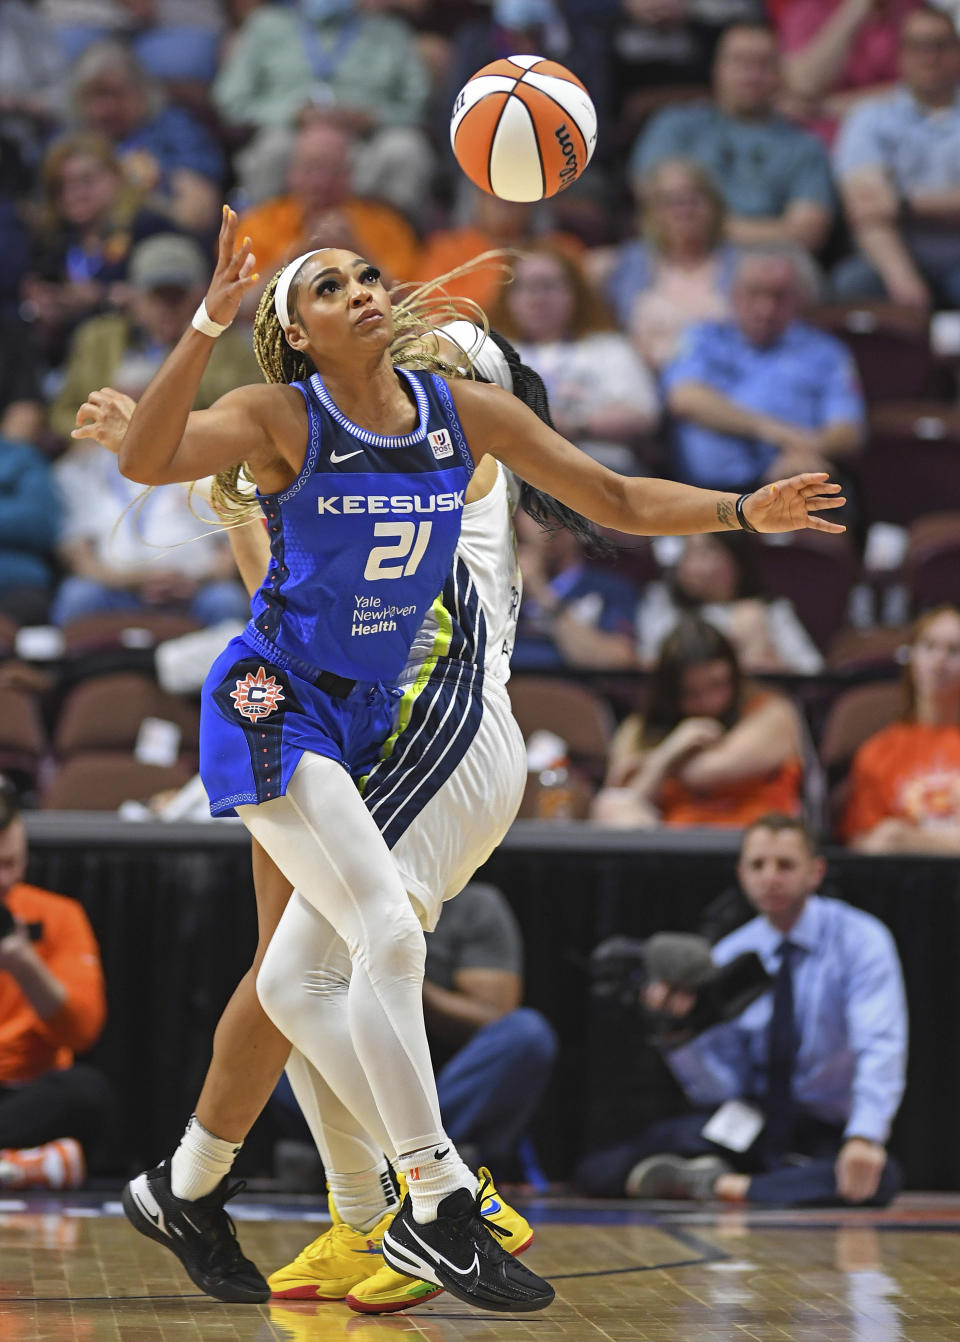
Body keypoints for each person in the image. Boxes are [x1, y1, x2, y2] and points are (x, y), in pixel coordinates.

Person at [76, 208, 842, 1312]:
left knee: (294, 974)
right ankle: (434, 1199)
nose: (365, 290)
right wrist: (209, 318)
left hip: (369, 715)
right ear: (299, 335)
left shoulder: (462, 415)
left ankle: (260, 1192)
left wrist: (740, 510)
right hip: (272, 702)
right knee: (371, 932)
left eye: (367, 273)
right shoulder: (277, 412)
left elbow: (615, 499)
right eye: (330, 287)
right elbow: (154, 460)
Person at [75, 317, 566, 1314]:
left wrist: (202, 461)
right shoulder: (407, 447)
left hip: (432, 730)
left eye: (435, 352)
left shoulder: (444, 451)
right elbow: (292, 588)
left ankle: (426, 1193)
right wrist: (211, 464)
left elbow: (300, 559)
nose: (404, 350)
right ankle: (344, 1207)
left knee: (303, 975)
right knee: (293, 973)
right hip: (362, 718)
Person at [577, 813, 907, 1208]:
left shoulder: (861, 940)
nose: (770, 877)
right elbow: (722, 1088)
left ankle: (721, 1186)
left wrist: (864, 1137)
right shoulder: (731, 956)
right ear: (741, 873)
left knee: (878, 1178)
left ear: (815, 872)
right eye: (758, 865)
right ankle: (756, 1181)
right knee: (601, 1169)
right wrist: (681, 1035)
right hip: (755, 1123)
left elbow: (880, 1045)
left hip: (825, 1126)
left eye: (785, 865)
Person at [271, 880, 557, 1189]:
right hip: (353, 1071)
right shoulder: (330, 892)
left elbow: (492, 1013)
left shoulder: (474, 904)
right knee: (271, 1022)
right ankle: (388, 1156)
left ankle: (410, 1155)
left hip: (446, 1080)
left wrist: (400, 977)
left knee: (527, 1034)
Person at [50, 234, 257, 628]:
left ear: (199, 296)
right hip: (104, 464)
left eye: (177, 298)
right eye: (156, 297)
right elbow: (62, 412)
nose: (167, 308)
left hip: (197, 463)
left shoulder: (232, 352)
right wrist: (103, 429)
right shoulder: (99, 339)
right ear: (133, 296)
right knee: (76, 599)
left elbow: (244, 425)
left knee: (227, 603)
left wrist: (169, 426)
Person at [663, 245, 865, 492]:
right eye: (754, 293)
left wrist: (806, 452)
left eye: (779, 296)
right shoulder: (704, 338)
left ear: (799, 298)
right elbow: (684, 399)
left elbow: (847, 432)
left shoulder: (825, 352)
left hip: (785, 491)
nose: (766, 309)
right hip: (699, 496)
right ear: (733, 293)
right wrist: (778, 434)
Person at [211, 0, 433, 220]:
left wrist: (374, 117)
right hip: (291, 136)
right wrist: (291, 114)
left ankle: (392, 244)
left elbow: (418, 103)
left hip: (366, 143)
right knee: (273, 149)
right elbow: (230, 100)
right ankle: (265, 243)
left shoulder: (389, 30)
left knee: (405, 150)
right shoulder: (266, 25)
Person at [632, 21, 836, 255]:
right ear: (717, 68)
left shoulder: (805, 146)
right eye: (740, 62)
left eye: (763, 65)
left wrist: (700, 226)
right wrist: (772, 230)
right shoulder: (674, 125)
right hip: (676, 254)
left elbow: (806, 234)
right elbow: (652, 201)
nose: (752, 76)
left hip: (767, 261)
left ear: (781, 74)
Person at [0, 776, 111, 1190]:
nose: (2, 880)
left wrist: (23, 964)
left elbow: (82, 1033)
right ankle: (25, 1167)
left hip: (26, 1092)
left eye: (11, 863)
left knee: (86, 1092)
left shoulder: (58, 915)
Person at [592, 617, 805, 828]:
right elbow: (627, 799)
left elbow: (710, 772)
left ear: (735, 675)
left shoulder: (773, 713)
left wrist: (650, 763)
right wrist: (669, 751)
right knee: (609, 807)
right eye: (691, 693)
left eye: (717, 685)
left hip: (754, 846)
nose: (708, 702)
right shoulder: (639, 728)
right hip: (673, 848)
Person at [488, 246, 660, 475]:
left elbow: (643, 415)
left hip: (602, 469)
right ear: (507, 298)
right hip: (514, 475)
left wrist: (576, 425)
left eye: (548, 286)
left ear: (575, 292)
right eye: (524, 287)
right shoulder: (489, 352)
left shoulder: (609, 348)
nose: (537, 299)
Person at [832, 5, 960, 308]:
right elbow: (866, 208)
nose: (929, 56)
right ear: (900, 55)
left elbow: (886, 203)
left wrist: (903, 201)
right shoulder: (869, 118)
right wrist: (901, 277)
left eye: (940, 45)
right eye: (917, 46)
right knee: (852, 283)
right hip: (894, 256)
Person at [22, 131, 173, 370]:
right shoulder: (53, 242)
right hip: (68, 364)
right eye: (62, 186)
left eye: (86, 181)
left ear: (116, 177)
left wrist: (100, 297)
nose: (73, 195)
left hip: (137, 358)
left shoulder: (148, 228)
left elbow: (171, 297)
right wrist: (47, 308)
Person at [588, 157, 738, 372]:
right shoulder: (629, 264)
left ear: (714, 206)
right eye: (670, 200)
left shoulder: (739, 265)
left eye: (694, 197)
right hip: (645, 387)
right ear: (651, 212)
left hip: (722, 381)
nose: (684, 209)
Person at [234, 121, 420, 293]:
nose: (321, 182)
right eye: (310, 169)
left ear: (350, 174)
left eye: (334, 171)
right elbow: (240, 307)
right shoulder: (257, 226)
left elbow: (411, 306)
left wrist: (356, 251)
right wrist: (302, 251)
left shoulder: (386, 227)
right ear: (291, 173)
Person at [69, 41, 224, 236]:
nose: (107, 108)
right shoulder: (68, 140)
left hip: (160, 235)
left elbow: (199, 209)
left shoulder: (174, 128)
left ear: (141, 93)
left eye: (116, 94)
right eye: (96, 96)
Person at [843, 604, 960, 854]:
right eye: (929, 646)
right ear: (912, 658)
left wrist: (906, 839)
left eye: (954, 650)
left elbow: (893, 838)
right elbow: (865, 843)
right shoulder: (877, 752)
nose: (940, 660)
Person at [636, 531, 824, 673]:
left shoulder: (770, 610)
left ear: (736, 559)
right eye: (686, 552)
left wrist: (761, 651)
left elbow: (812, 672)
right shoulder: (663, 604)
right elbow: (647, 665)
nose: (690, 564)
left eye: (703, 553)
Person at [775, 0, 921, 146]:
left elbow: (920, 88)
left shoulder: (913, 11)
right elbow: (803, 84)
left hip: (896, 137)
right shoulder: (810, 9)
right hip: (820, 141)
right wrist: (855, 9)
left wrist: (829, 107)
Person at [513, 508, 640, 671]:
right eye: (536, 511)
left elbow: (620, 660)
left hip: (577, 689)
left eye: (561, 511)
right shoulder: (495, 584)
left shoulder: (610, 588)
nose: (549, 523)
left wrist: (543, 595)